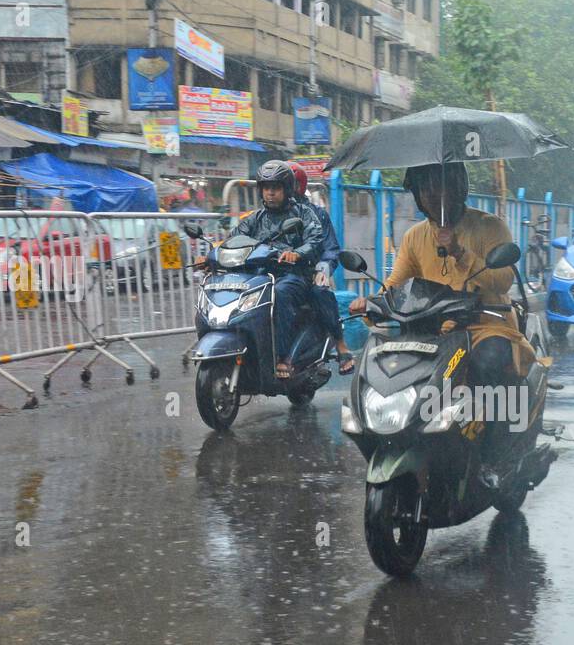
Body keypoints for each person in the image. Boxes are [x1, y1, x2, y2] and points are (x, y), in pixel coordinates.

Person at [348, 161, 535, 486]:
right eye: (426, 189)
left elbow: (503, 280)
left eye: (442, 186)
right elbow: (395, 284)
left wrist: (460, 252)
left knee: (490, 362)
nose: (435, 195)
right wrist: (373, 302)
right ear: (418, 196)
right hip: (433, 329)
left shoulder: (490, 227)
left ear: (459, 187)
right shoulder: (415, 237)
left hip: (486, 326)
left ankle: (497, 455)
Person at [229, 160, 325, 378]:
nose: (270, 193)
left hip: (294, 275)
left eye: (276, 188)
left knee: (278, 294)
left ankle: (283, 356)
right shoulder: (254, 219)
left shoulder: (303, 213)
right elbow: (233, 240)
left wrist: (297, 253)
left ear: (287, 189)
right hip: (258, 275)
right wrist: (211, 257)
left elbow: (316, 239)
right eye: (266, 188)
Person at [287, 161, 353, 374]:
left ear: (297, 186)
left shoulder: (317, 215)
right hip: (277, 277)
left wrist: (322, 270)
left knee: (320, 292)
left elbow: (331, 249)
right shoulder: (265, 216)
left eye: (285, 184)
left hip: (308, 275)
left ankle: (341, 344)